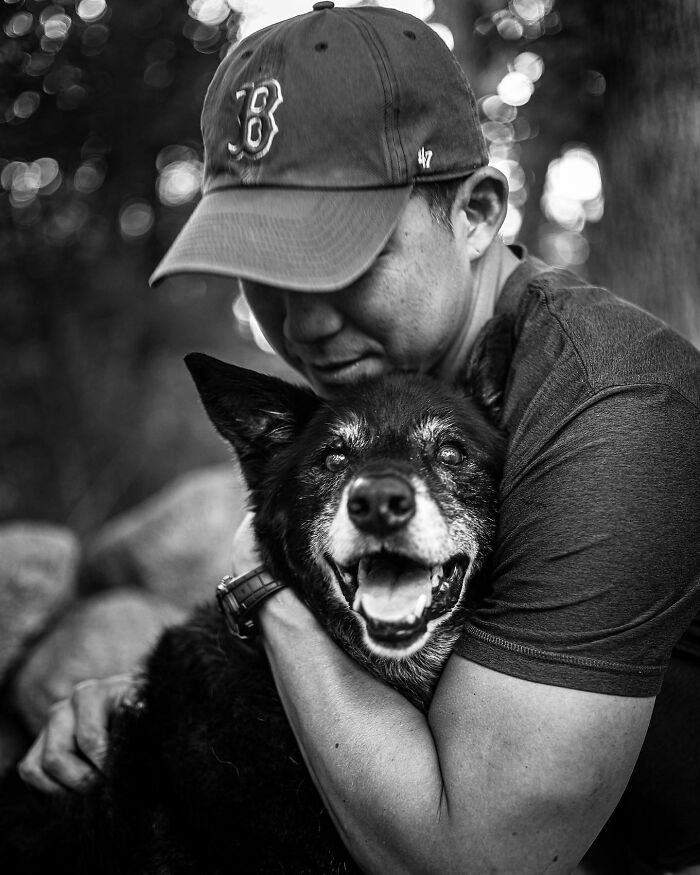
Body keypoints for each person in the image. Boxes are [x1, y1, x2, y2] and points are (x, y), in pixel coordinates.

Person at [16, 4, 700, 873]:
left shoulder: (612, 407)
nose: (304, 322)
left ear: (478, 212)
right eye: (262, 268)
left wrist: (263, 583)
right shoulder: (390, 379)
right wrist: (158, 717)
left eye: (343, 257)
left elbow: (473, 859)